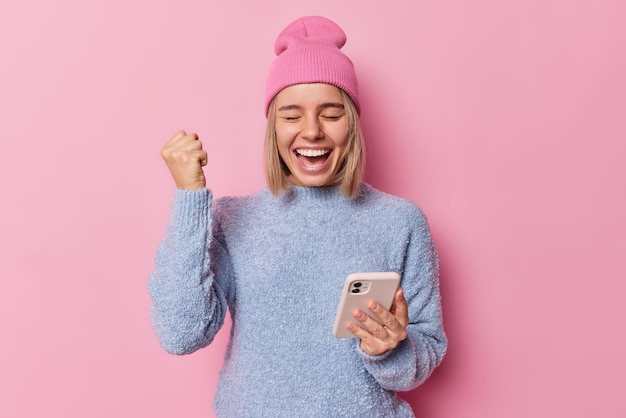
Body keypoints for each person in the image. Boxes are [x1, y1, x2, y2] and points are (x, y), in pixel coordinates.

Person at [149, 15, 446, 417]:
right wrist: (190, 198)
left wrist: (392, 348)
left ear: (353, 123)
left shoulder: (401, 222)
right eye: (291, 115)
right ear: (273, 127)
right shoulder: (231, 220)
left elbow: (424, 350)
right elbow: (181, 333)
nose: (311, 132)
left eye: (330, 112)